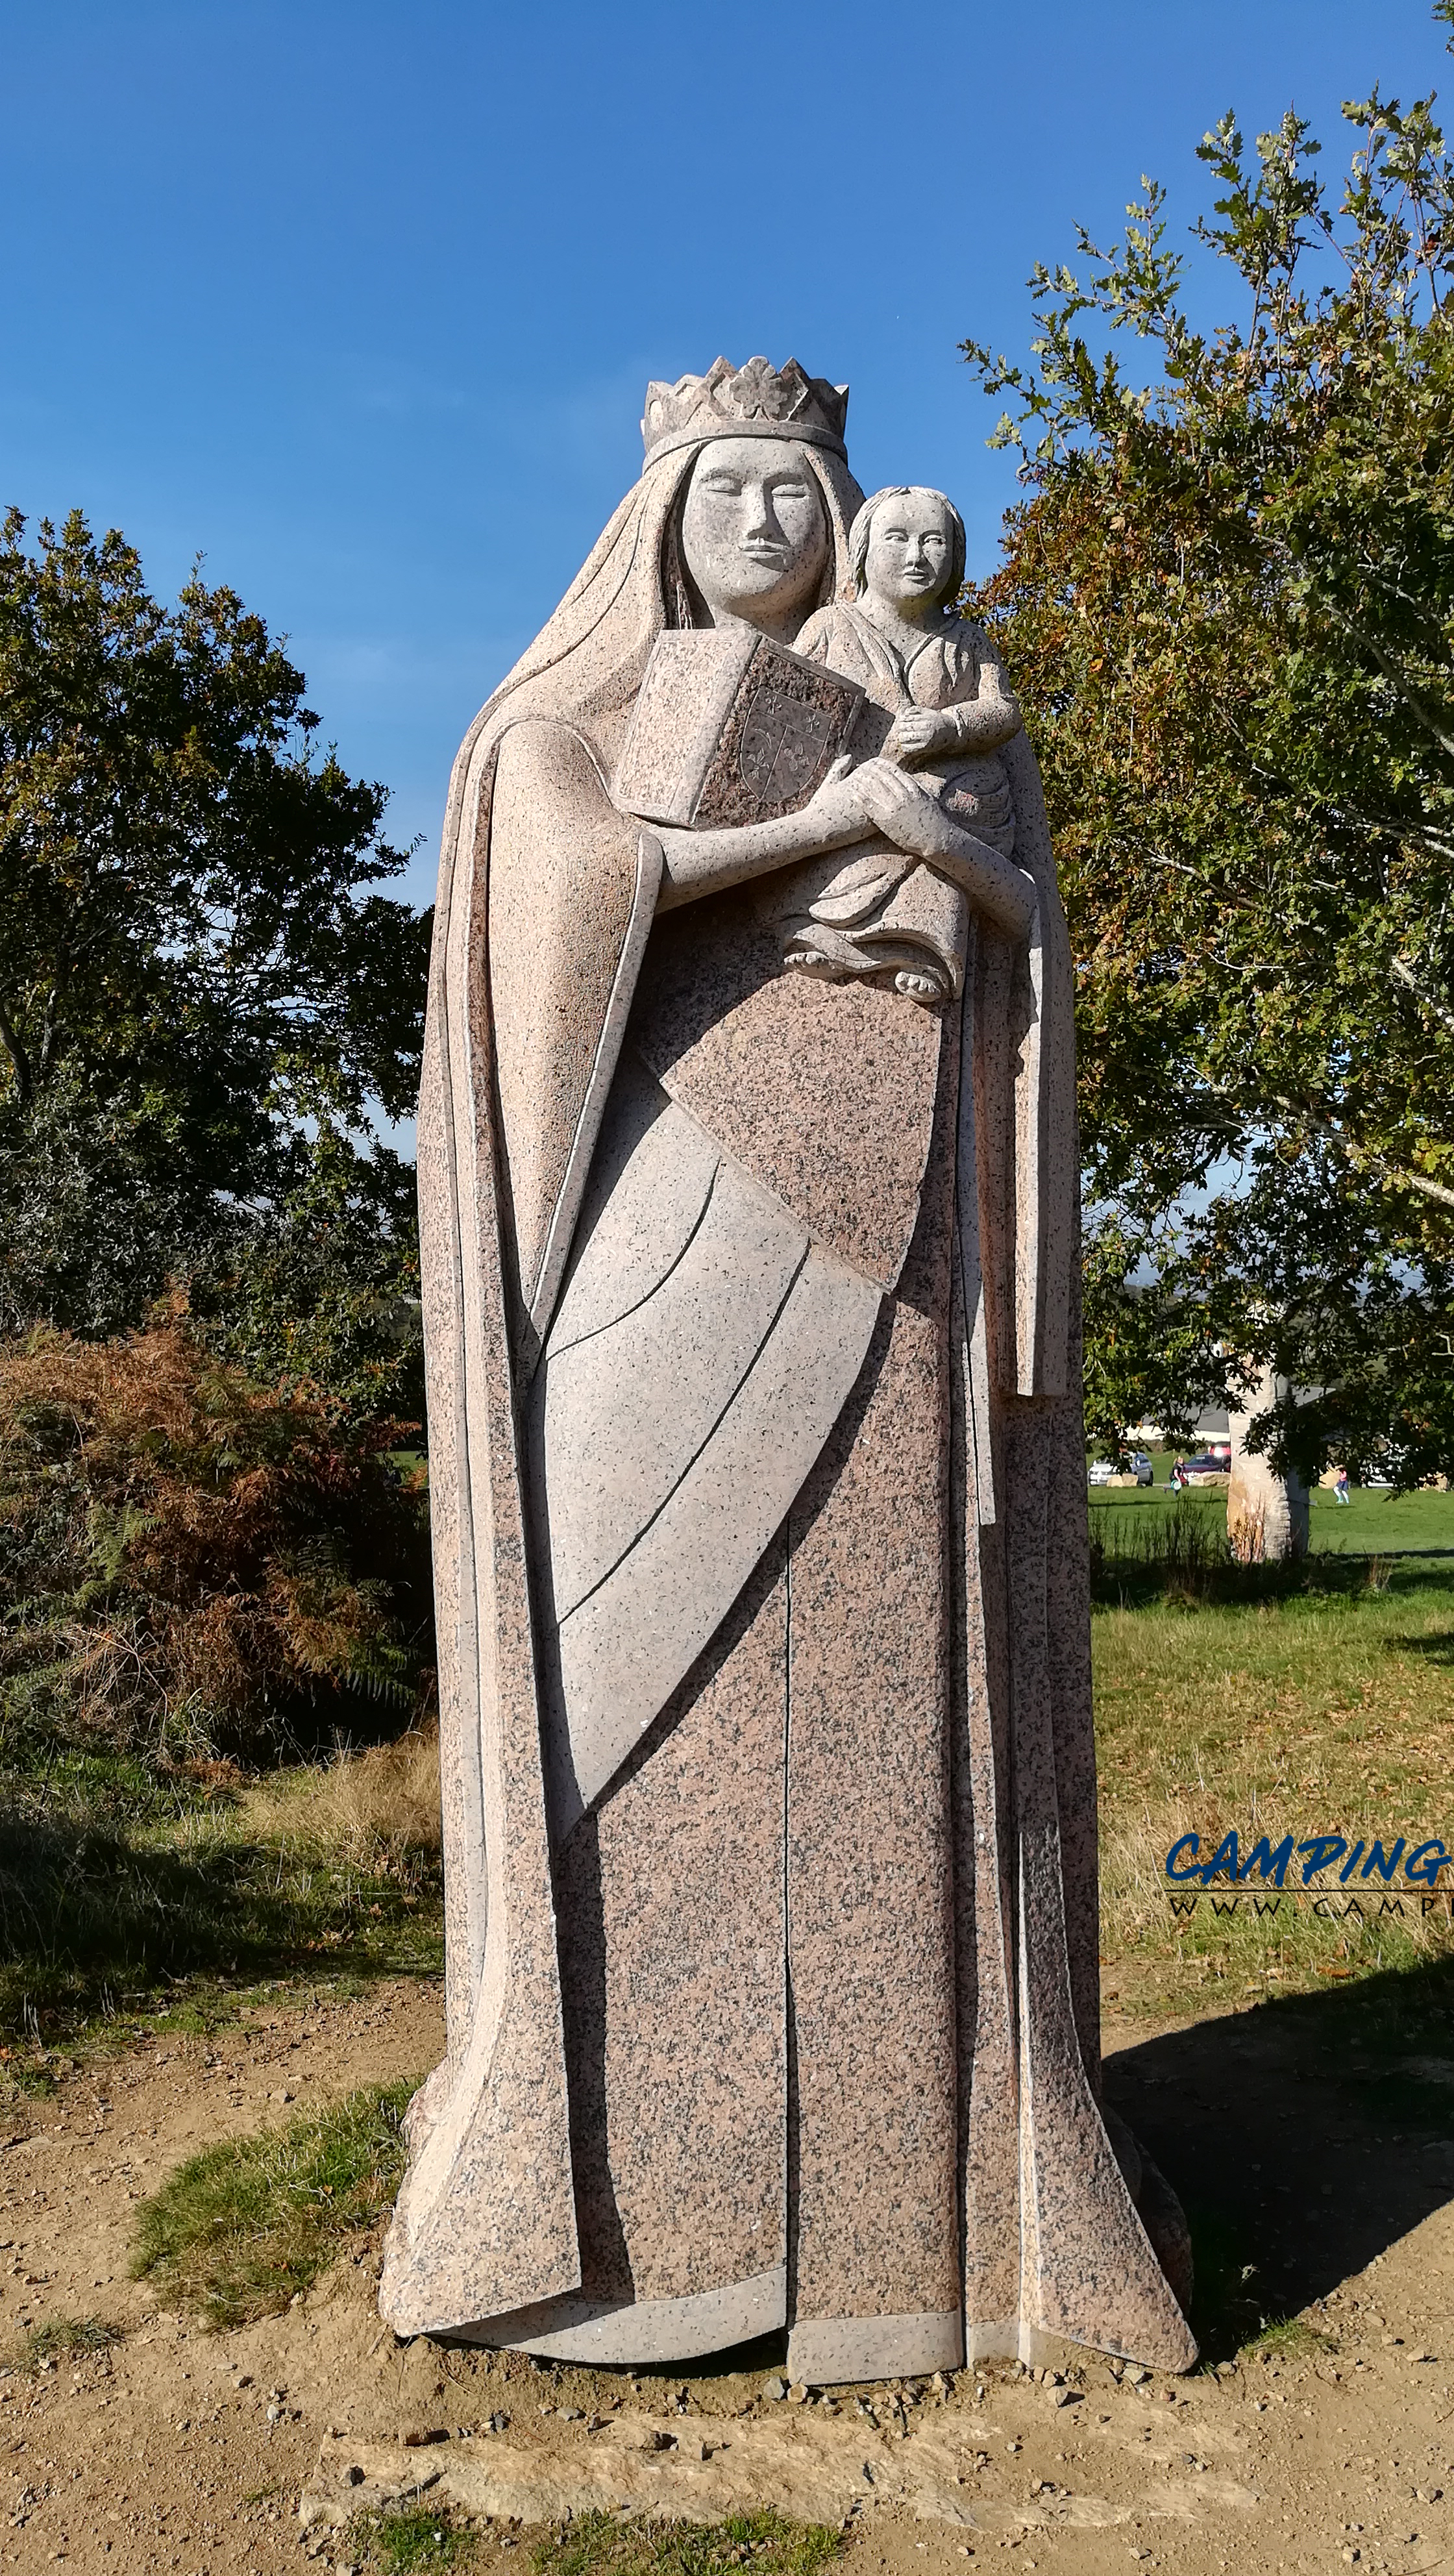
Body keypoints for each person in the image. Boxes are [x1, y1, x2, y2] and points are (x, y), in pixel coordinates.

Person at [379, 356, 1194, 2380]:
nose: (768, 523)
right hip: (662, 1223)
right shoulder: (551, 718)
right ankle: (615, 2207)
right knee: (626, 1683)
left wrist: (927, 883)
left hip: (891, 1220)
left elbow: (1011, 928)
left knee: (876, 1685)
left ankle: (907, 2235)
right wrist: (818, 823)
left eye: (798, 494)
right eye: (731, 488)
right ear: (661, 510)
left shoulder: (938, 690)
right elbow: (559, 899)